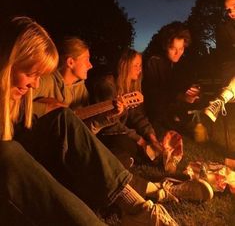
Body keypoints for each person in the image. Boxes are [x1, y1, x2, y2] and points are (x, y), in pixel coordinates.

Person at [0, 16, 181, 226]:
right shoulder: (60, 84)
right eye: (31, 73)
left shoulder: (79, 91)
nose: (35, 83)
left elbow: (77, 133)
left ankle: (139, 208)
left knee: (64, 120)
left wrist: (105, 119)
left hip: (36, 153)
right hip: (14, 161)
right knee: (10, 152)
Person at [32, 37, 213, 204]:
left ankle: (156, 189)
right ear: (70, 62)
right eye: (86, 59)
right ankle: (160, 188)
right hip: (47, 149)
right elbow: (17, 108)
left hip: (70, 148)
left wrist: (109, 119)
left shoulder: (81, 91)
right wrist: (53, 110)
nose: (90, 65)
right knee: (109, 158)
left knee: (100, 166)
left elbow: (85, 130)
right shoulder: (44, 82)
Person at [142, 21, 200, 135]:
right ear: (165, 46)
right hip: (153, 112)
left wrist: (192, 89)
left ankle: (177, 123)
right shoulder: (154, 61)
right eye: (173, 48)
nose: (178, 53)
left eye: (181, 48)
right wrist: (180, 96)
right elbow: (153, 95)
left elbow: (181, 83)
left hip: (172, 108)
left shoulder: (179, 62)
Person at [204, 0, 235, 123]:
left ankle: (220, 100)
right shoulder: (224, 28)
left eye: (234, 6)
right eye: (228, 9)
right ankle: (224, 96)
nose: (231, 12)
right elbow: (225, 60)